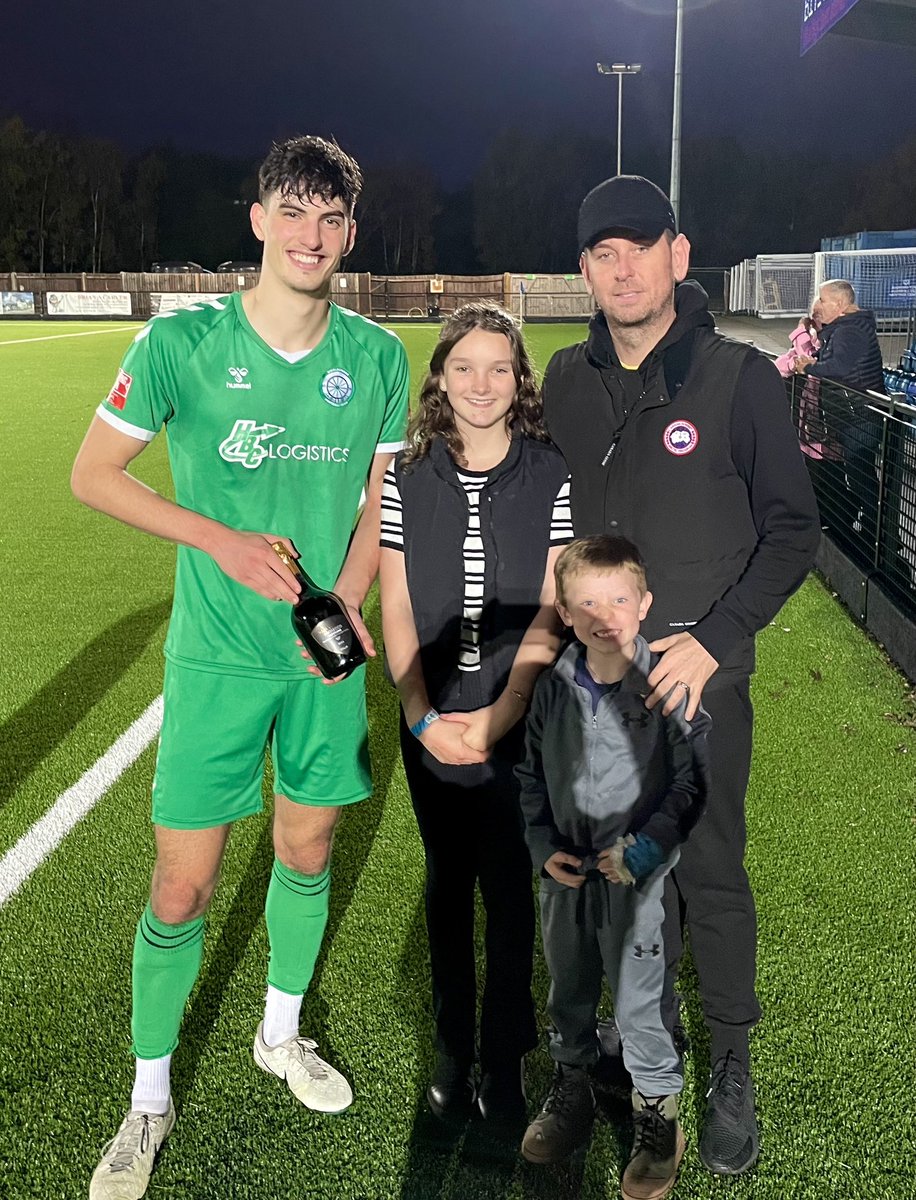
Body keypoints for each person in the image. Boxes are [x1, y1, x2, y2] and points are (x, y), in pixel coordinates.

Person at [72, 135, 409, 1200]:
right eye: (293, 213)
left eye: (332, 219)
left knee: (305, 854)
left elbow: (380, 502)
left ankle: (277, 1034)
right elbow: (94, 476)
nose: (311, 237)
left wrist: (343, 605)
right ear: (258, 219)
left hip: (321, 664)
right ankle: (149, 1098)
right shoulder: (184, 344)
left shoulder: (381, 358)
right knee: (184, 885)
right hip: (216, 658)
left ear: (349, 235)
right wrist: (214, 539)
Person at [540, 175, 821, 1176]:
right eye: (600, 254)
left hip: (698, 679)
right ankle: (610, 1052)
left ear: (677, 254)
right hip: (593, 685)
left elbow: (795, 530)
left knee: (706, 874)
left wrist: (716, 637)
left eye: (637, 247)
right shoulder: (563, 382)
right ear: (584, 271)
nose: (620, 268)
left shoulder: (740, 380)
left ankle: (731, 1064)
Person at [378, 302, 572, 1126]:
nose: (481, 384)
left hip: (517, 727)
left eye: (499, 368)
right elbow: (392, 603)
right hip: (430, 723)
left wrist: (498, 718)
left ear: (519, 380)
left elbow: (554, 606)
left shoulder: (552, 472)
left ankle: (505, 1055)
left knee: (509, 886)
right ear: (440, 378)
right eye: (464, 367)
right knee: (447, 883)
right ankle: (455, 1044)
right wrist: (421, 715)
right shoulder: (404, 477)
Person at [517, 535, 708, 1200]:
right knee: (567, 984)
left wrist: (644, 850)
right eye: (588, 602)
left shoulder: (666, 687)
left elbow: (690, 786)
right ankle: (570, 1084)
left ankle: (658, 1114)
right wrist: (543, 849)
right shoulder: (551, 690)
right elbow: (530, 780)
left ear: (645, 603)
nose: (606, 614)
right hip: (565, 878)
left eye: (619, 599)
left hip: (636, 884)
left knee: (637, 1001)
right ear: (566, 614)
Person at [795, 279, 887, 559]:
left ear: (841, 304)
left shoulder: (850, 331)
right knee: (860, 476)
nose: (818, 305)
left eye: (822, 300)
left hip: (859, 418)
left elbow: (838, 367)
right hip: (852, 417)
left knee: (862, 478)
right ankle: (871, 532)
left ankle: (875, 537)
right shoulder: (847, 328)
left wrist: (811, 365)